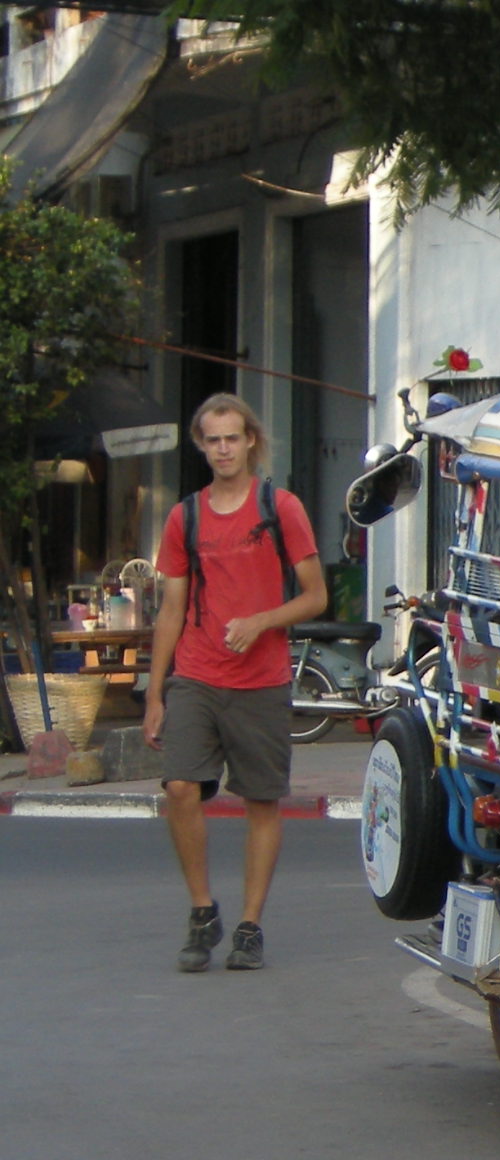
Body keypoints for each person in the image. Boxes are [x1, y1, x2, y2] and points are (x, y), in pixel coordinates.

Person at [145, 393, 328, 973]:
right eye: (212, 440)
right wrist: (154, 694)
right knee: (179, 787)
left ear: (250, 440)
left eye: (232, 438)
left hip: (262, 679)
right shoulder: (185, 517)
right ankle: (203, 909)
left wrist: (262, 621)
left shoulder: (281, 507)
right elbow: (172, 609)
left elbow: (315, 595)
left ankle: (250, 925)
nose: (223, 449)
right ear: (201, 446)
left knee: (261, 802)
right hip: (196, 674)